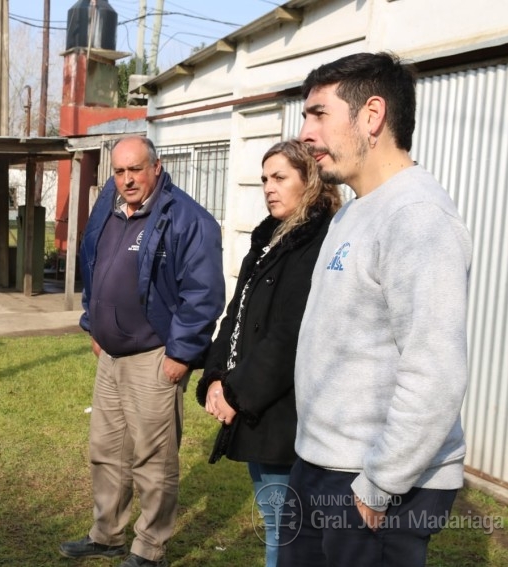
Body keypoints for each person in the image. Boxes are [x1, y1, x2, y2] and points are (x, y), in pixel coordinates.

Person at [277, 52, 472, 567]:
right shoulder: (356, 210)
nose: (305, 133)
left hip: (373, 485)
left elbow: (435, 371)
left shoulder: (417, 216)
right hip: (323, 465)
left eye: (318, 114)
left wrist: (380, 484)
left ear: (372, 116)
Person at [59, 135, 225, 567]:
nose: (127, 179)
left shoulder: (188, 219)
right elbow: (93, 265)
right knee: (107, 450)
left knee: (153, 457)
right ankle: (107, 535)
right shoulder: (109, 207)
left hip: (156, 355)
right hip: (110, 355)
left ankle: (150, 549)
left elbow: (203, 295)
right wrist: (94, 323)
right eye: (119, 171)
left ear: (156, 166)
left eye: (135, 169)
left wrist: (181, 353)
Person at [196, 139, 341, 567]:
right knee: (275, 522)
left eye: (279, 178)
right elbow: (236, 316)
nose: (268, 188)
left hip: (284, 412)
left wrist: (236, 394)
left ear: (310, 180)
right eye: (264, 179)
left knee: (287, 530)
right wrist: (215, 378)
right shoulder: (268, 239)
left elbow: (289, 336)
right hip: (254, 408)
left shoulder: (319, 242)